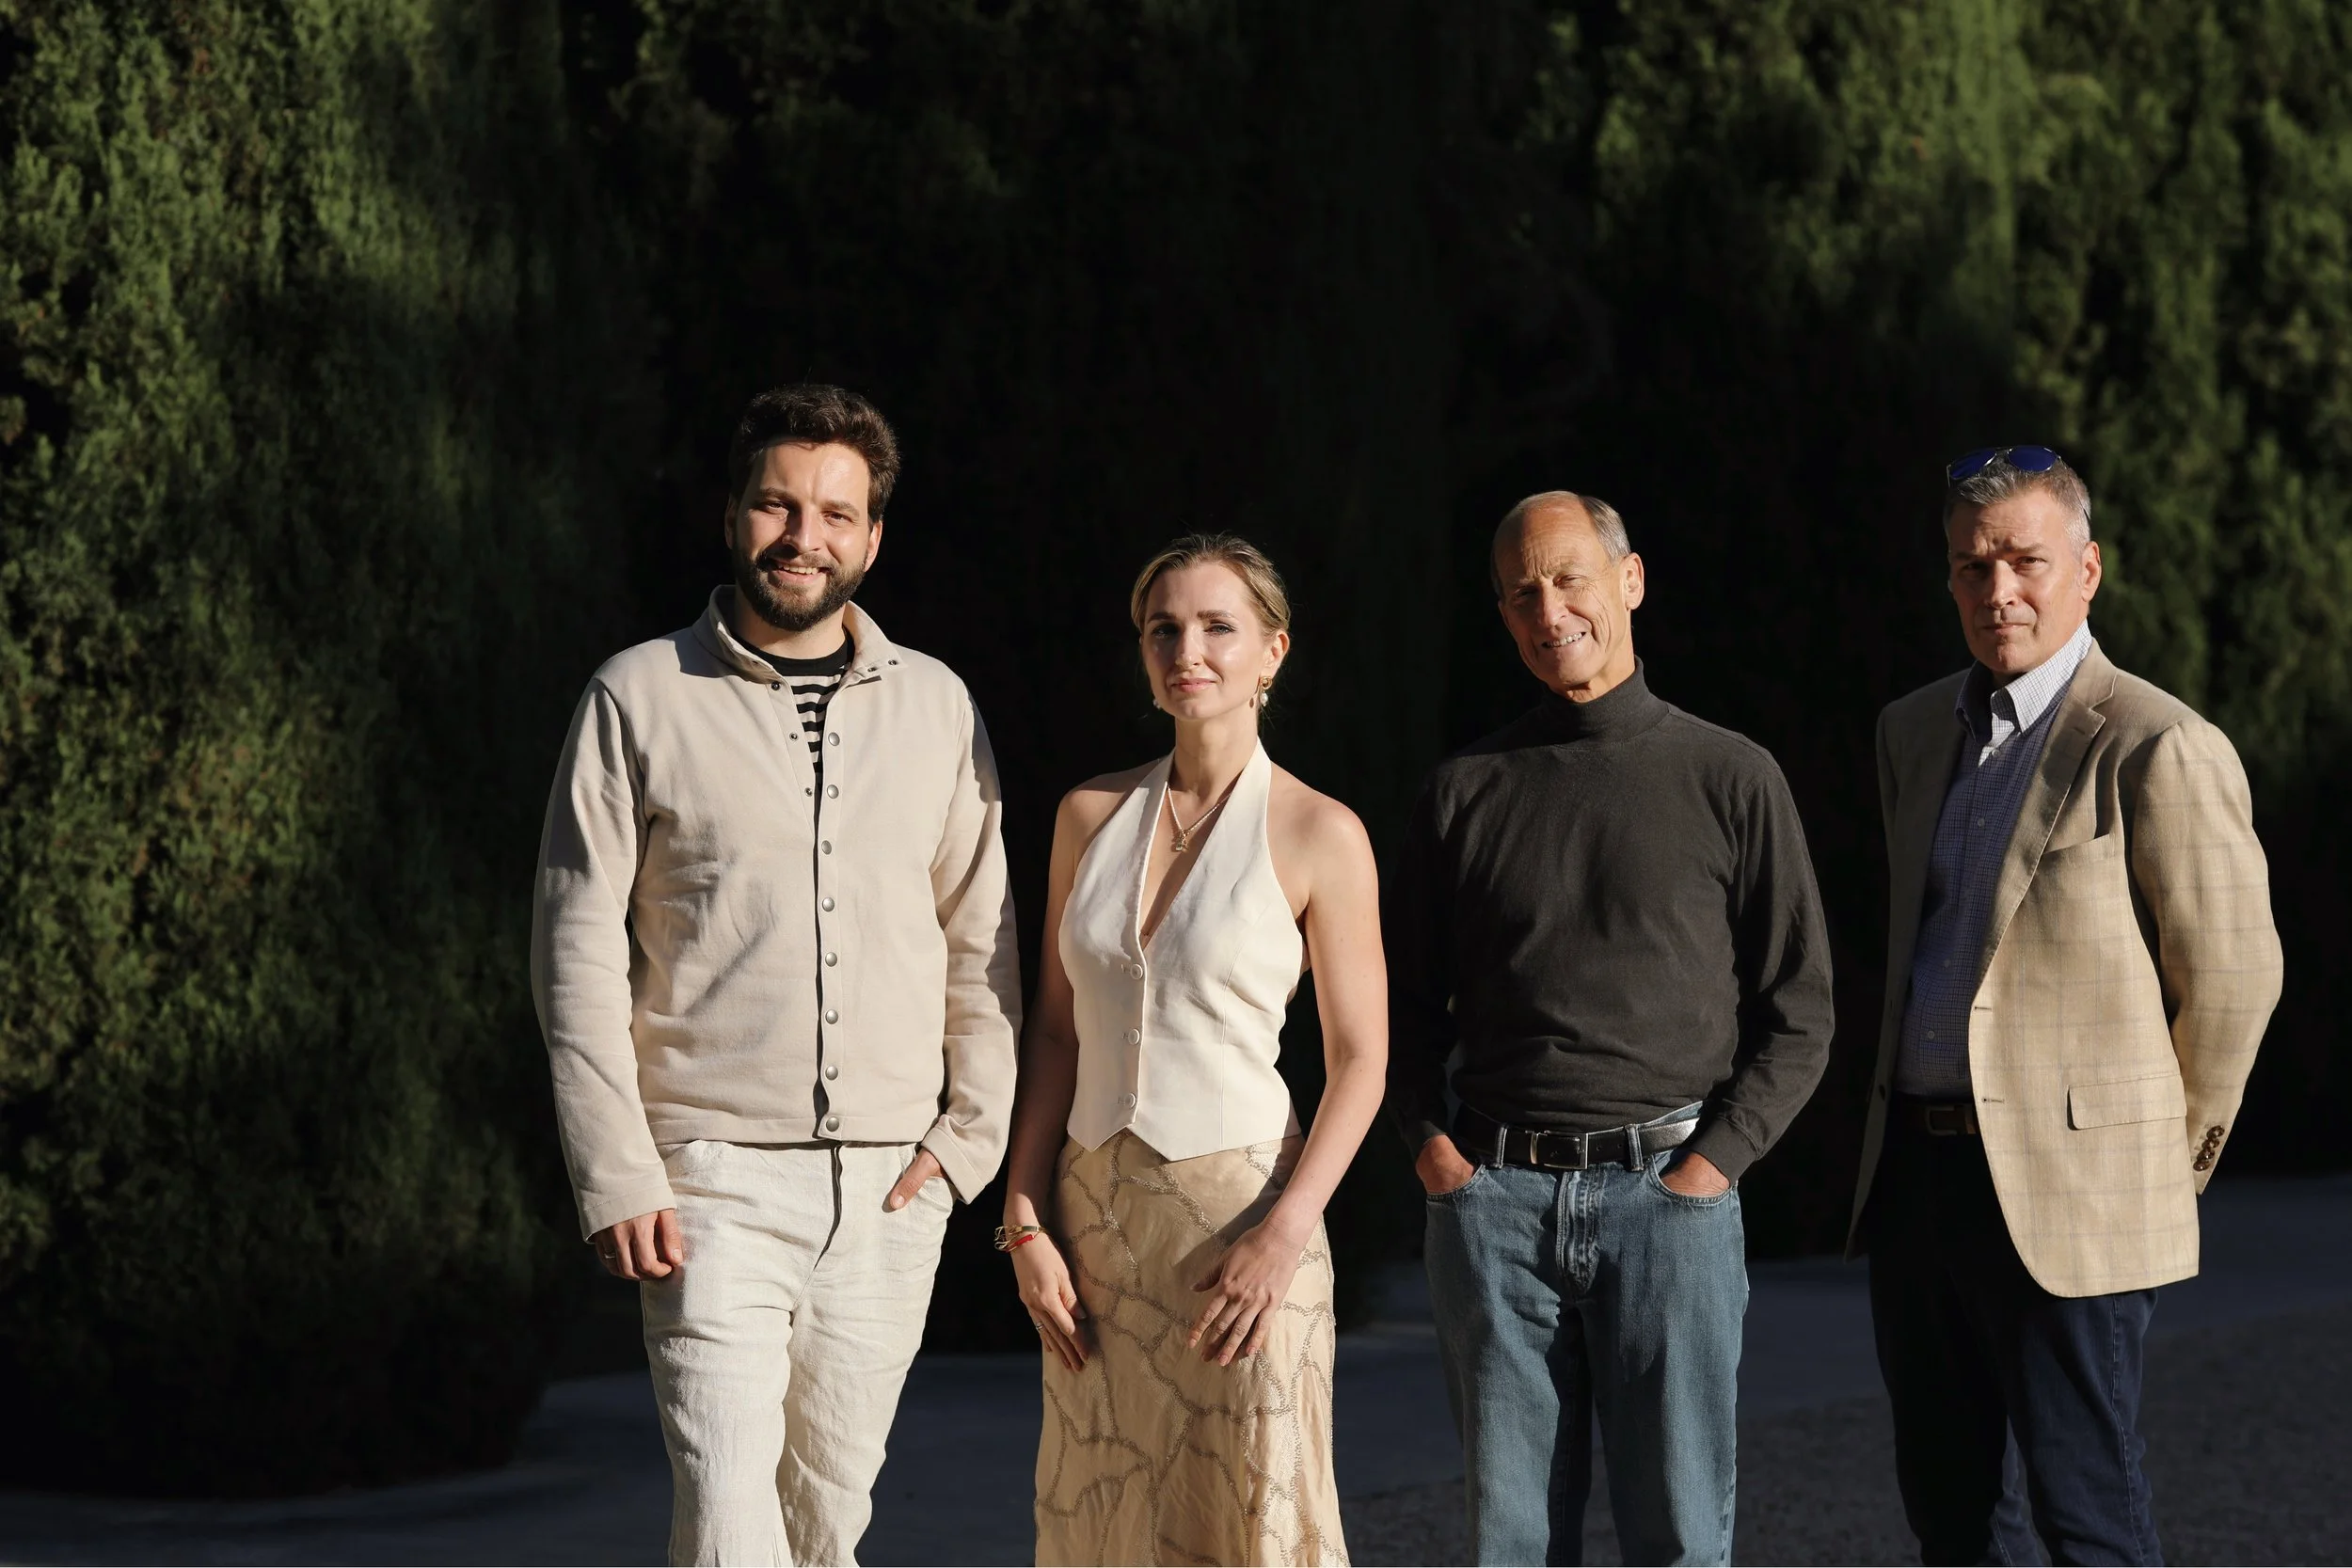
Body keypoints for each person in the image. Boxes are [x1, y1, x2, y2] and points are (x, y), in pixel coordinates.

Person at [531, 385, 1022, 1566]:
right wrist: (617, 1169)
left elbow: (982, 938)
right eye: (777, 504)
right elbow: (574, 944)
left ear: (872, 538)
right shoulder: (637, 693)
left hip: (892, 1185)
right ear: (733, 516)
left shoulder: (938, 705)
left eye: (836, 513)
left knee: (827, 1526)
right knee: (727, 1520)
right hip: (707, 1180)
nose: (804, 535)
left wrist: (968, 1141)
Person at [1849, 446, 2283, 1566]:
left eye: (2024, 561)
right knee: (1948, 1514)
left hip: (2074, 1194)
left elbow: (2233, 978)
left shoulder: (2158, 741)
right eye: (1970, 565)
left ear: (2086, 571)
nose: (1996, 589)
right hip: (1919, 1180)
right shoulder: (1911, 731)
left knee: (2085, 1512)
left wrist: (2155, 1165)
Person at [1388, 492, 1835, 1566]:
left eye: (1569, 578)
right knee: (1509, 1544)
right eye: (1521, 593)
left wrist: (1710, 1168)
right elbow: (1394, 1008)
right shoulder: (1463, 792)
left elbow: (1802, 1007)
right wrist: (1437, 1156)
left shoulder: (1731, 776)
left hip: (1668, 1203)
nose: (1549, 611)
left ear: (1629, 581)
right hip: (1494, 1209)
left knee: (1678, 1538)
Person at [999, 534, 1387, 1566]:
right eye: (1163, 628)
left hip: (1244, 1233)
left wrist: (1286, 1233)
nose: (1188, 650)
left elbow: (1361, 1059)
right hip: (1093, 1235)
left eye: (1218, 626)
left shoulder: (1321, 830)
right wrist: (1024, 1214)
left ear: (1273, 651)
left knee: (1253, 1519)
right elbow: (1054, 1029)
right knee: (1104, 1517)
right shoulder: (1086, 814)